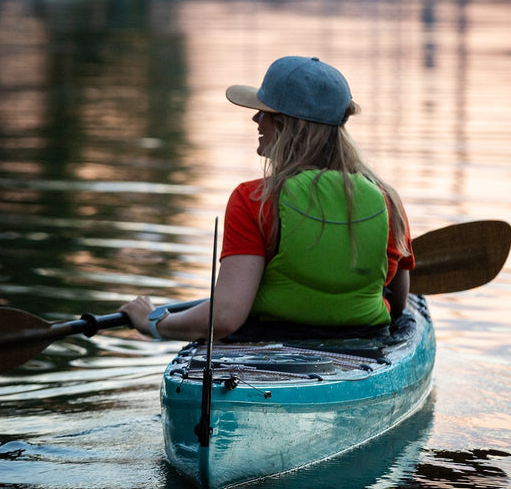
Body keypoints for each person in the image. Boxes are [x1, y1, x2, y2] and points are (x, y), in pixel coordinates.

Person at [119, 55, 414, 342]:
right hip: (364, 350)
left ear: (292, 126)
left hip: (267, 348)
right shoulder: (387, 200)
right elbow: (399, 304)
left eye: (266, 112)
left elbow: (225, 317)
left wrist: (154, 321)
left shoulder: (254, 200)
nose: (256, 118)